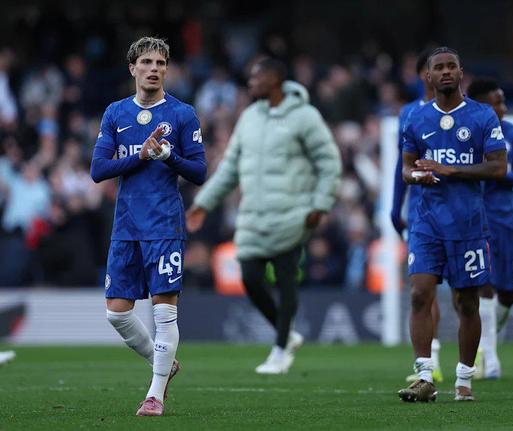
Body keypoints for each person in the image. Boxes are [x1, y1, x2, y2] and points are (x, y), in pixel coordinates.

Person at [186, 57, 341, 375]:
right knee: (250, 278)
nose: (251, 82)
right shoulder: (249, 117)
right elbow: (229, 167)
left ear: (275, 79)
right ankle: (288, 335)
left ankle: (281, 350)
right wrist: (203, 203)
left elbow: (329, 162)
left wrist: (320, 205)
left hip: (292, 214)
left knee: (286, 279)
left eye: (257, 77)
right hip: (253, 217)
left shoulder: (305, 116)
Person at [90, 36, 207, 416]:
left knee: (163, 311)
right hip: (126, 224)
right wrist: (140, 157)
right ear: (133, 68)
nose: (154, 69)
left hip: (164, 224)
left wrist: (169, 155)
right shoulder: (116, 113)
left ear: (167, 69)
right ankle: (164, 365)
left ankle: (154, 394)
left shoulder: (182, 114)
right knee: (117, 312)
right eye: (146, 62)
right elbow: (98, 170)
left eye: (160, 63)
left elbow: (199, 172)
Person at [397, 47, 507, 403]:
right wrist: (416, 176)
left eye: (451, 67)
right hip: (427, 222)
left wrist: (450, 170)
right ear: (428, 77)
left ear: (461, 74)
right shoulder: (416, 118)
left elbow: (498, 167)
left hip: (468, 224)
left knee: (467, 302)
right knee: (419, 293)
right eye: (438, 68)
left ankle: (464, 379)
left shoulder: (482, 116)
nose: (445, 72)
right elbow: (406, 167)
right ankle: (424, 376)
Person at [467, 78, 513, 380]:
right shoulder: (468, 133)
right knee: (486, 285)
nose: (503, 108)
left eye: (503, 101)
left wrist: (496, 171)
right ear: (482, 106)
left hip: (507, 222)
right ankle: (489, 360)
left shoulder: (511, 132)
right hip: (479, 219)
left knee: (509, 295)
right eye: (498, 102)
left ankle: (485, 341)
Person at [390, 47, 443, 385]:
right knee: (424, 285)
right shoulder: (409, 113)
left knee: (465, 293)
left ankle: (481, 355)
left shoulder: (464, 112)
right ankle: (431, 358)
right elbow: (403, 163)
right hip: (421, 211)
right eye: (436, 68)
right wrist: (395, 207)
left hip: (456, 210)